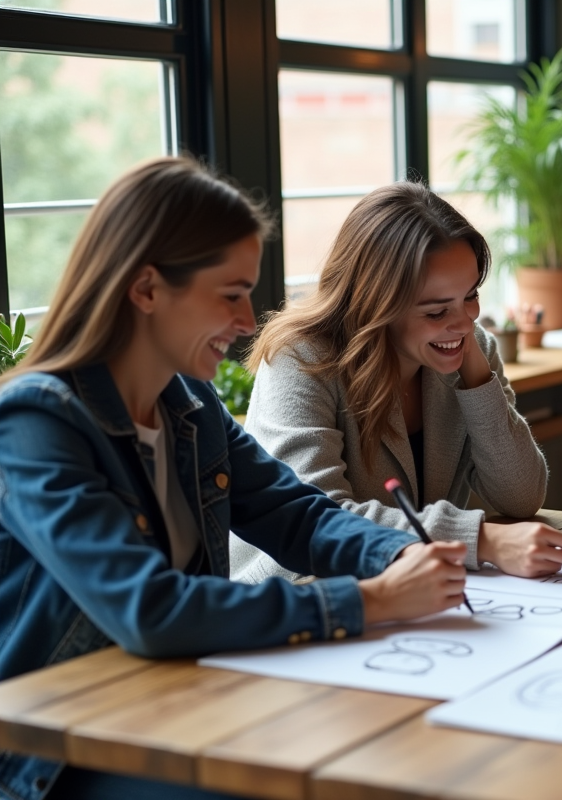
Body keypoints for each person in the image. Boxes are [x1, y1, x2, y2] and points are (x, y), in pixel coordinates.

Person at [0, 157, 469, 800]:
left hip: (178, 703)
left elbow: (295, 514)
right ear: (145, 290)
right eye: (230, 294)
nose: (249, 320)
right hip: (55, 757)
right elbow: (151, 610)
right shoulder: (34, 425)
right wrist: (374, 600)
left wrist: (404, 555)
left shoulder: (191, 406)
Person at [231, 182, 562, 584]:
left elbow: (520, 497)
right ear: (377, 306)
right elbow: (318, 521)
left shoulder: (469, 347)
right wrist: (480, 540)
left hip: (402, 589)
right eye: (436, 311)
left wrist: (478, 377)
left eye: (470, 295)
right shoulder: (301, 359)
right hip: (293, 593)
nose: (465, 322)